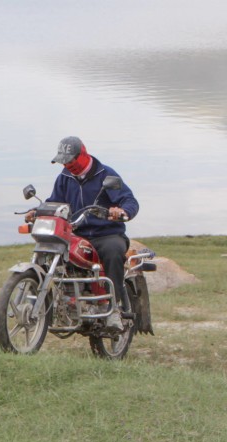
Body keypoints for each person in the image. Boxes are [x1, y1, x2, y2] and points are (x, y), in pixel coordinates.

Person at [29, 136, 140, 332]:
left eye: (70, 160)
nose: (68, 165)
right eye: (64, 161)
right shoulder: (64, 177)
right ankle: (57, 301)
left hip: (107, 234)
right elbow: (55, 202)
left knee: (113, 252)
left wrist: (121, 212)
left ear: (82, 154)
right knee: (52, 252)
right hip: (77, 234)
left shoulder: (106, 175)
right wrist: (37, 212)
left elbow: (129, 201)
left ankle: (113, 309)